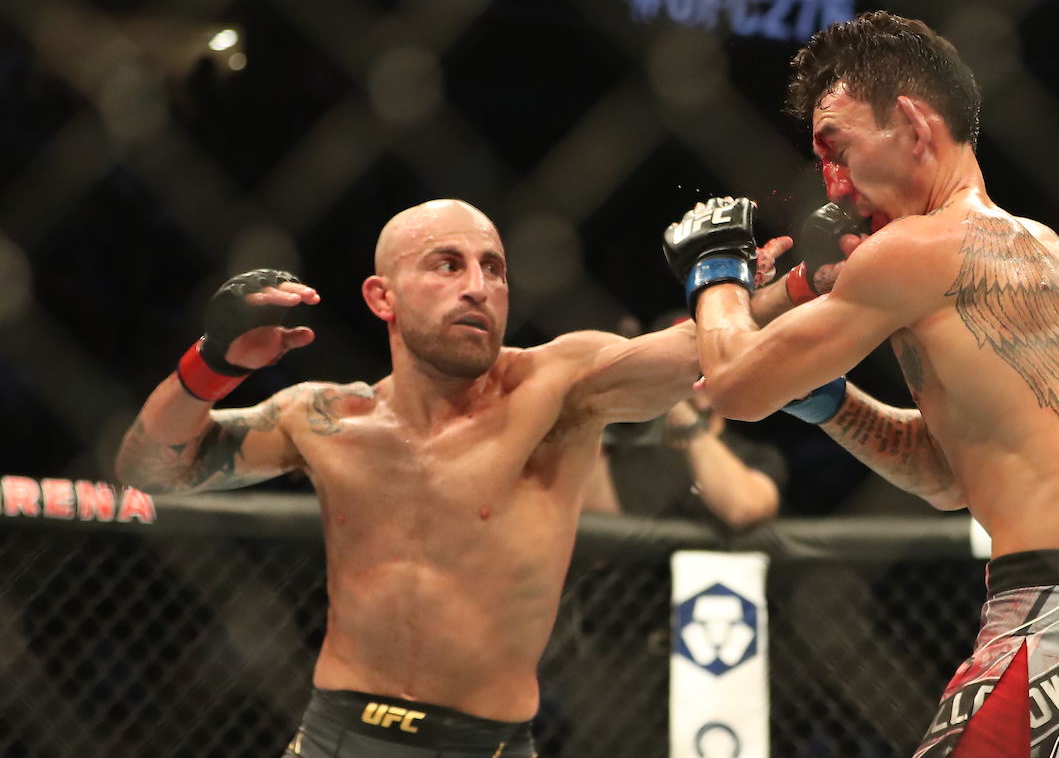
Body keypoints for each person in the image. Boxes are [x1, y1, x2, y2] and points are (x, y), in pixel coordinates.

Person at [663, 12, 1059, 758]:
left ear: (912, 124)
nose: (833, 184)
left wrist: (715, 270)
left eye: (837, 149)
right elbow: (947, 476)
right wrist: (831, 403)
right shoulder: (1044, 252)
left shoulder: (918, 248)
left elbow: (734, 387)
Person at [115, 199, 701, 758]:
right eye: (447, 265)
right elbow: (151, 470)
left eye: (493, 269)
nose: (478, 287)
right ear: (382, 297)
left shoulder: (556, 387)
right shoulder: (326, 419)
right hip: (335, 739)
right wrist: (215, 361)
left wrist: (736, 278)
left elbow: (707, 356)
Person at [582, 313, 784, 529]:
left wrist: (687, 420)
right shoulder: (629, 448)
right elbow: (591, 519)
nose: (698, 374)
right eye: (683, 365)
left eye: (707, 362)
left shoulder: (756, 456)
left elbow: (744, 509)